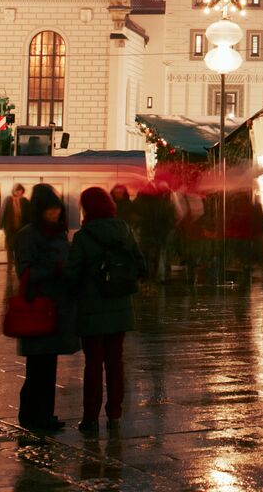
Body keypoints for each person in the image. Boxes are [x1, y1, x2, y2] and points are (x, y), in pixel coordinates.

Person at [68, 186, 143, 435]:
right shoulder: (124, 231)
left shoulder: (83, 237)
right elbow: (141, 266)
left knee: (93, 365)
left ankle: (90, 418)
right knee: (115, 363)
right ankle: (115, 416)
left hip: (92, 308)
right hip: (120, 307)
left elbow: (73, 275)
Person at [13, 183, 79, 432]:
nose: (55, 214)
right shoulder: (27, 235)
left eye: (57, 210)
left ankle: (46, 414)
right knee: (36, 367)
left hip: (58, 307)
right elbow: (25, 271)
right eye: (50, 211)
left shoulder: (58, 233)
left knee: (49, 365)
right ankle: (30, 415)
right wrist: (54, 270)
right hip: (38, 307)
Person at [0, 184, 29, 277]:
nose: (18, 192)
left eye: (20, 190)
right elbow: (3, 213)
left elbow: (29, 216)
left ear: (22, 191)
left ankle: (18, 266)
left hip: (21, 229)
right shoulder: (8, 200)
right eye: (17, 190)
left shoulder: (25, 201)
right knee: (10, 248)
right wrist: (1, 226)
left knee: (19, 249)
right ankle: (9, 267)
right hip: (10, 228)